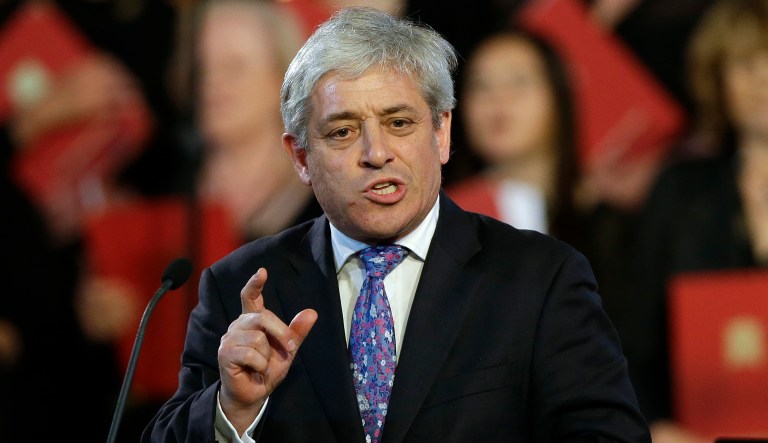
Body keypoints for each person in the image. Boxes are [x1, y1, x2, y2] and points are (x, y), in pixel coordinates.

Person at [142, 7, 650, 442]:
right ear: (300, 156)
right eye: (342, 132)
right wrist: (233, 410)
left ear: (442, 132)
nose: (376, 153)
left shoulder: (541, 278)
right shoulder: (240, 287)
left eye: (399, 123)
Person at [630, 1, 768, 442]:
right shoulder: (680, 190)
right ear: (718, 78)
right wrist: (654, 426)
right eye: (744, 62)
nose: (762, 78)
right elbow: (634, 329)